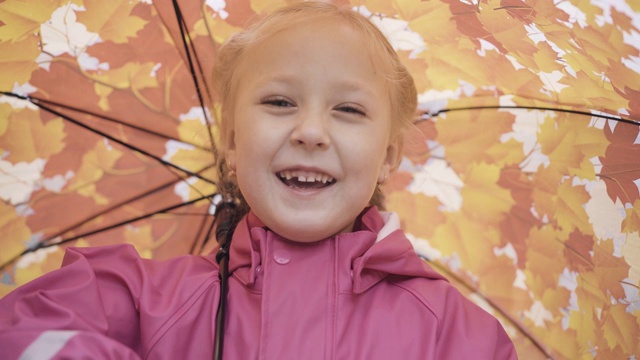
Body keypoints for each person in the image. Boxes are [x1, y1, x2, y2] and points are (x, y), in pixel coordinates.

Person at [0, 2, 517, 359]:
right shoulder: (138, 297)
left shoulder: (456, 334)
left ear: (387, 156)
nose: (310, 131)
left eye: (348, 109)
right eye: (279, 102)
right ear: (230, 139)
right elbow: (22, 333)